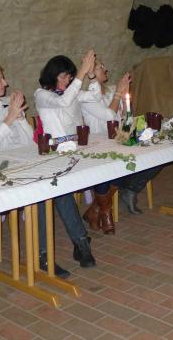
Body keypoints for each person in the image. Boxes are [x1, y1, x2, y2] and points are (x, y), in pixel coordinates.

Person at [0, 59, 95, 272]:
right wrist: (9, 118)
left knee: (57, 182)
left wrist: (19, 118)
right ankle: (43, 255)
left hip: (24, 160)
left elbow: (29, 140)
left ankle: (81, 242)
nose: (5, 83)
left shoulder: (8, 103)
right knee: (41, 190)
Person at [35, 52, 121, 234]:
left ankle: (98, 210)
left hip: (78, 146)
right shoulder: (42, 94)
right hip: (56, 150)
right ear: (52, 75)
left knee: (109, 165)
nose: (67, 80)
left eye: (69, 76)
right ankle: (100, 213)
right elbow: (63, 101)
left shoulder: (72, 92)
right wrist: (81, 73)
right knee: (100, 167)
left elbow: (95, 97)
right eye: (63, 76)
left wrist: (91, 75)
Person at [80, 59, 160, 214]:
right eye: (100, 67)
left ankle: (129, 189)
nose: (105, 69)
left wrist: (125, 99)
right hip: (101, 143)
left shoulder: (111, 90)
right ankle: (121, 192)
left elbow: (125, 119)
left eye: (104, 66)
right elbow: (109, 116)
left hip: (120, 139)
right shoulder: (86, 97)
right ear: (90, 73)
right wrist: (118, 93)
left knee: (157, 154)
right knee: (123, 162)